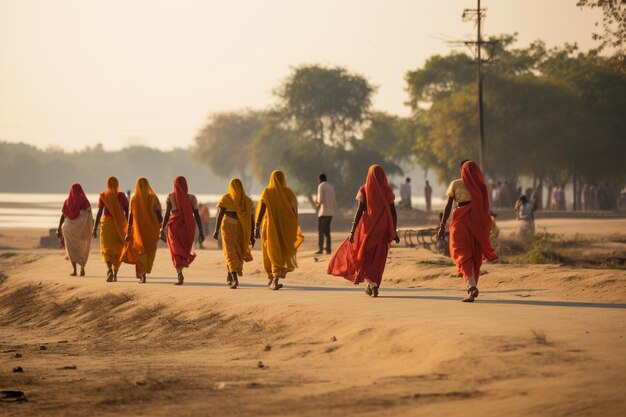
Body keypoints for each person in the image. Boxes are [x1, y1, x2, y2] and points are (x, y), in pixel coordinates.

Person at [327, 165, 399, 298]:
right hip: (382, 231)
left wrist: (353, 230)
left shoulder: (364, 190)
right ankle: (373, 283)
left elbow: (359, 211)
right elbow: (393, 212)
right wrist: (393, 231)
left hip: (366, 232)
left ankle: (372, 284)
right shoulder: (387, 191)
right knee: (378, 259)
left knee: (365, 257)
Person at [438, 160, 497, 302]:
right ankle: (472, 286)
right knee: (474, 255)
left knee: (460, 252)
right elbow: (485, 208)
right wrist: (486, 227)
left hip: (460, 222)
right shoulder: (481, 185)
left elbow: (448, 206)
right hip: (477, 222)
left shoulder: (455, 184)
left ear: (461, 170)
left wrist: (442, 225)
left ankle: (471, 286)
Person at [254, 170, 303, 290]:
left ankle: (274, 279)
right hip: (284, 227)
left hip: (269, 227)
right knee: (280, 251)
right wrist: (293, 226)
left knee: (270, 250)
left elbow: (261, 209)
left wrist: (256, 226)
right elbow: (293, 211)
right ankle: (273, 279)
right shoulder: (289, 193)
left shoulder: (267, 192)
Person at [161, 176, 204, 285]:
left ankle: (179, 273)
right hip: (187, 227)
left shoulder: (171, 196)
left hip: (174, 227)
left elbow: (167, 213)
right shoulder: (192, 198)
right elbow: (197, 215)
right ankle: (180, 272)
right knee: (183, 250)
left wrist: (162, 227)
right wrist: (201, 230)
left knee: (175, 250)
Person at [213, 178, 255, 289]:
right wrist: (251, 234)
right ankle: (234, 278)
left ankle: (231, 273)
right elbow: (251, 219)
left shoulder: (227, 198)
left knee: (234, 251)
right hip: (235, 229)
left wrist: (216, 230)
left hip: (232, 227)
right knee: (232, 252)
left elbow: (220, 214)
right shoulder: (247, 201)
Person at [120, 178, 163, 284]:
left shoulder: (134, 199)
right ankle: (145, 271)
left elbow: (130, 217)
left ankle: (142, 274)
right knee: (150, 251)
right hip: (152, 231)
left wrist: (128, 232)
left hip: (138, 233)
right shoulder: (153, 198)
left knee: (140, 251)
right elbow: (160, 218)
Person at [92, 177, 129, 282]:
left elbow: (99, 212)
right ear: (117, 184)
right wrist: (128, 226)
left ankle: (109, 269)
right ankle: (115, 273)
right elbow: (127, 211)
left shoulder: (104, 195)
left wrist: (95, 228)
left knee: (106, 248)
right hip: (120, 225)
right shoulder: (121, 196)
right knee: (119, 249)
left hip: (107, 225)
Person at [57, 183, 93, 277]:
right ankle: (82, 268)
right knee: (81, 248)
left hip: (70, 231)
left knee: (71, 248)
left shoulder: (67, 201)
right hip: (82, 231)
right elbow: (88, 216)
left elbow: (63, 216)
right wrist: (90, 227)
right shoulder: (85, 201)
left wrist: (59, 228)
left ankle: (74, 270)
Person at [314, 173, 336, 255]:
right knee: (327, 232)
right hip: (330, 213)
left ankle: (320, 249)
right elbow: (334, 201)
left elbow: (320, 200)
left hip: (323, 213)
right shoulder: (331, 187)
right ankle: (328, 249)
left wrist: (316, 204)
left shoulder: (321, 186)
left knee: (321, 232)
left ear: (319, 179)